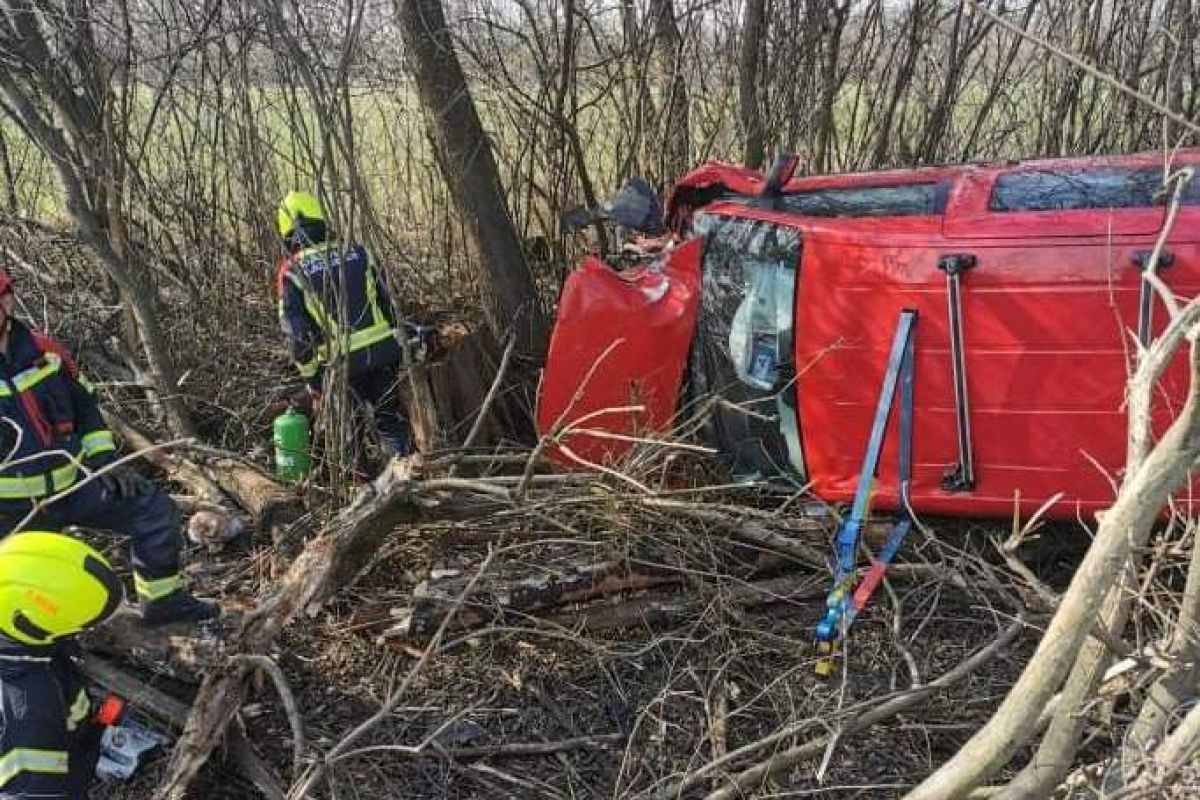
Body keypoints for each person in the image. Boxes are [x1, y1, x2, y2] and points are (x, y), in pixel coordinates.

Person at [0, 269, 215, 625]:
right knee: (22, 594)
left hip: (75, 484)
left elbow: (85, 409)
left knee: (154, 511)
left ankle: (163, 603)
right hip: (10, 510)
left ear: (7, 301)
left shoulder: (45, 353)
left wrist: (104, 460)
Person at [274, 190, 413, 477]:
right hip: (386, 351)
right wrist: (401, 341)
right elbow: (389, 303)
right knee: (390, 420)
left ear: (287, 232)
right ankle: (406, 477)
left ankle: (364, 490)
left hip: (339, 365)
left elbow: (299, 339)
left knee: (348, 431)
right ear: (321, 219)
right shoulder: (359, 252)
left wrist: (313, 381)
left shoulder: (292, 271)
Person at [0, 530, 124, 798]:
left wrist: (94, 728)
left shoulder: (25, 641)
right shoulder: (31, 714)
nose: (81, 632)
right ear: (32, 624)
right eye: (78, 627)